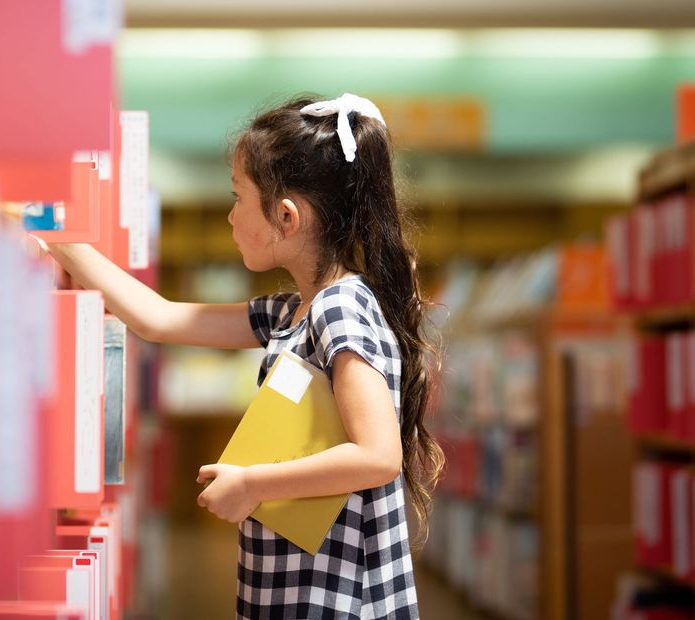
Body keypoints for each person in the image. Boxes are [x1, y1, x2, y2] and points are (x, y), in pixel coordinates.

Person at [40, 93, 442, 619]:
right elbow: (157, 318)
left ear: (285, 216)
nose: (230, 216)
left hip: (340, 600)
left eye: (238, 197)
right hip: (301, 589)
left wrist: (252, 484)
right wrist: (57, 236)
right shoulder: (290, 312)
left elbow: (378, 455)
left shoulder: (339, 308)